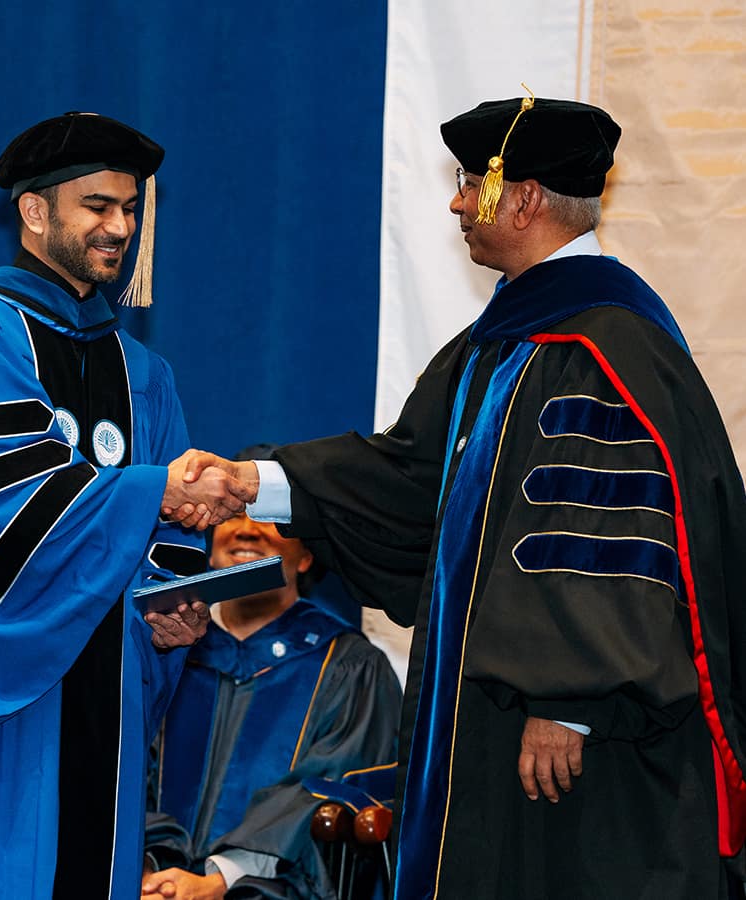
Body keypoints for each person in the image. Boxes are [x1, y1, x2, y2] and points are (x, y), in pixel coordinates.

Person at [167, 93, 746, 899]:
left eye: (473, 181)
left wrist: (568, 699)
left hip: (573, 739)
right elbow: (404, 478)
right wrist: (249, 483)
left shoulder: (604, 348)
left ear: (526, 198)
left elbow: (602, 536)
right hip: (495, 727)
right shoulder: (501, 345)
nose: (455, 201)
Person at [0, 112, 251, 900]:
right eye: (98, 206)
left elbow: (168, 553)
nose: (120, 226)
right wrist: (155, 489)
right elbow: (1, 511)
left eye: (130, 208)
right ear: (35, 212)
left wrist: (172, 612)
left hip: (101, 708)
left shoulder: (145, 373)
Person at [142, 446, 402, 900]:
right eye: (232, 516)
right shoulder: (171, 654)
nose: (247, 531)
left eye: (268, 519)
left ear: (307, 557)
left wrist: (220, 879)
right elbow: (132, 768)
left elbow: (337, 786)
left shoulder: (348, 668)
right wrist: (152, 867)